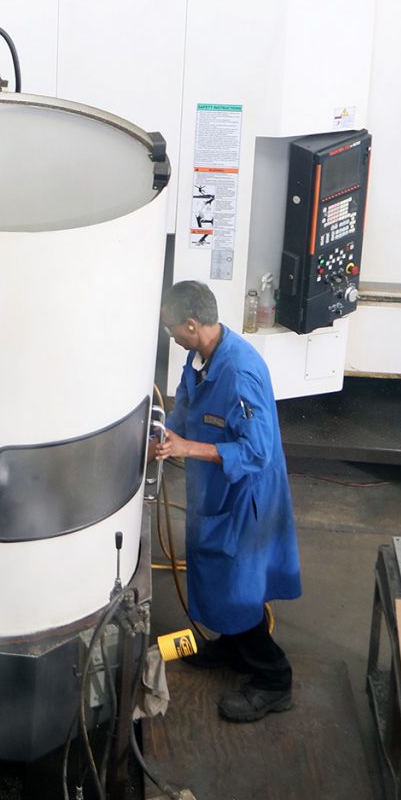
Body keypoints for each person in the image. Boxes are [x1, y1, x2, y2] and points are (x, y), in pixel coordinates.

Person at [152, 280, 301, 723]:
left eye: (172, 328)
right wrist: (163, 435)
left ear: (193, 324)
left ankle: (275, 680)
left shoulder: (240, 372)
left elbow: (258, 451)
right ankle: (234, 647)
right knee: (218, 578)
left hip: (244, 499)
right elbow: (187, 411)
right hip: (214, 491)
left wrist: (186, 449)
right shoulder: (199, 360)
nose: (170, 336)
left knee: (238, 588)